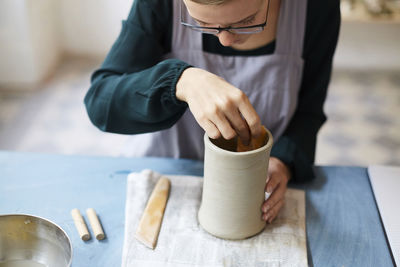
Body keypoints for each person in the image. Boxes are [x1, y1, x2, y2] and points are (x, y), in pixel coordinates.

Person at [84, 0, 340, 223]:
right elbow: (100, 102)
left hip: (254, 188)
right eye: (200, 22)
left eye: (248, 20)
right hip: (167, 179)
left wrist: (284, 162)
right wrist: (180, 82)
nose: (225, 40)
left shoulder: (316, 8)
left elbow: (309, 113)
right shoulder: (159, 3)